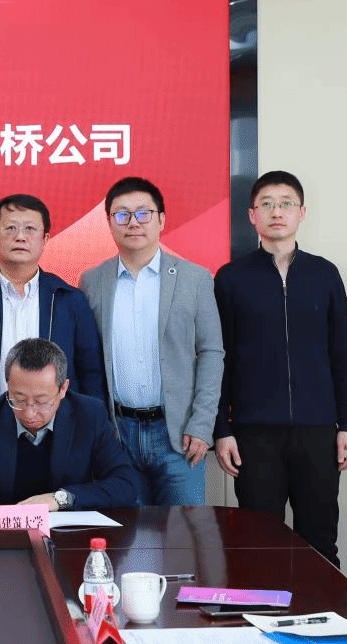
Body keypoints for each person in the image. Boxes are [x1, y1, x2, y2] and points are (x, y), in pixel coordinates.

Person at [213, 170, 347, 567]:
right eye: (267, 204)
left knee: (320, 544)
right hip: (254, 434)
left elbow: (343, 354)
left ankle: (322, 610)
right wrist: (222, 429)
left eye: (286, 204)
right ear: (252, 215)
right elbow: (218, 358)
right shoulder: (231, 278)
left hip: (318, 431)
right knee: (258, 546)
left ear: (301, 213)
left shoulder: (324, 274)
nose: (276, 212)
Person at [80, 176, 224, 506]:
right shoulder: (92, 281)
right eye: (122, 214)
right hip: (118, 436)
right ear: (109, 222)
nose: (133, 222)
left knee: (184, 532)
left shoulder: (195, 279)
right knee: (127, 534)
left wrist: (202, 424)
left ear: (161, 219)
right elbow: (87, 360)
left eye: (143, 213)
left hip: (178, 435)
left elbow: (211, 352)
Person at [0, 193, 107, 444]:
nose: (20, 237)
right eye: (11, 228)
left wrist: (87, 438)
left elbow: (91, 377)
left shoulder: (69, 300)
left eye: (30, 229)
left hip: (58, 438)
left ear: (45, 239)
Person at [0, 338, 139, 512]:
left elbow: (126, 484)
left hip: (68, 540)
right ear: (8, 386)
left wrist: (60, 498)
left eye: (42, 401)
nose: (30, 413)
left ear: (63, 389)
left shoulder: (89, 415)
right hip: (1, 541)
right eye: (19, 400)